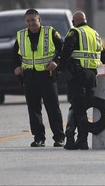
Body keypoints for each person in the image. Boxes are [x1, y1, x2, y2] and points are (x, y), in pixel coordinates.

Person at [13, 9, 66, 148]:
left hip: (47, 76)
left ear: (39, 20)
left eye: (33, 20)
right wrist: (17, 67)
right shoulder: (21, 35)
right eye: (28, 21)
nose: (31, 23)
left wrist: (56, 62)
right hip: (29, 76)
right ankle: (39, 138)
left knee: (52, 108)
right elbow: (14, 54)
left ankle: (59, 137)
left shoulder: (50, 32)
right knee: (34, 109)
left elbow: (62, 50)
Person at [59, 11, 103, 150]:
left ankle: (78, 139)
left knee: (78, 108)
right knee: (81, 106)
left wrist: (60, 67)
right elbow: (103, 54)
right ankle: (76, 139)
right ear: (86, 19)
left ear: (74, 21)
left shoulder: (74, 32)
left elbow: (66, 51)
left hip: (78, 75)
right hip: (92, 75)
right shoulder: (94, 33)